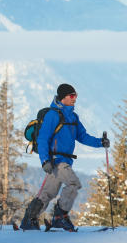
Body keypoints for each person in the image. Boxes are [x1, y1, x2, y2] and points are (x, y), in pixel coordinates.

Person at [20, 83, 109, 231]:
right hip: (56, 161)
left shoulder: (73, 117)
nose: (75, 99)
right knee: (73, 184)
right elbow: (43, 139)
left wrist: (101, 142)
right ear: (63, 98)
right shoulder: (52, 115)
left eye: (76, 96)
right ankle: (59, 217)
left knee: (48, 192)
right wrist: (45, 160)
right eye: (72, 96)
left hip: (64, 160)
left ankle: (30, 219)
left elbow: (83, 136)